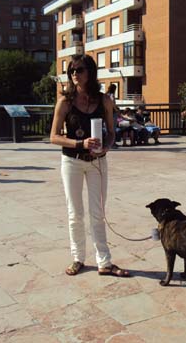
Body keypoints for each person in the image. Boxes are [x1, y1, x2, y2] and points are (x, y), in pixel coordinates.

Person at [50, 54, 129, 278]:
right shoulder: (65, 101)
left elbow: (112, 133)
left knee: (98, 213)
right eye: (72, 71)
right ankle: (78, 258)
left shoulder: (103, 100)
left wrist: (106, 146)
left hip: (97, 162)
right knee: (75, 213)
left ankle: (104, 261)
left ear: (90, 73)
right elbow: (54, 137)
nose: (75, 74)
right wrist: (79, 143)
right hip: (72, 162)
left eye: (79, 70)